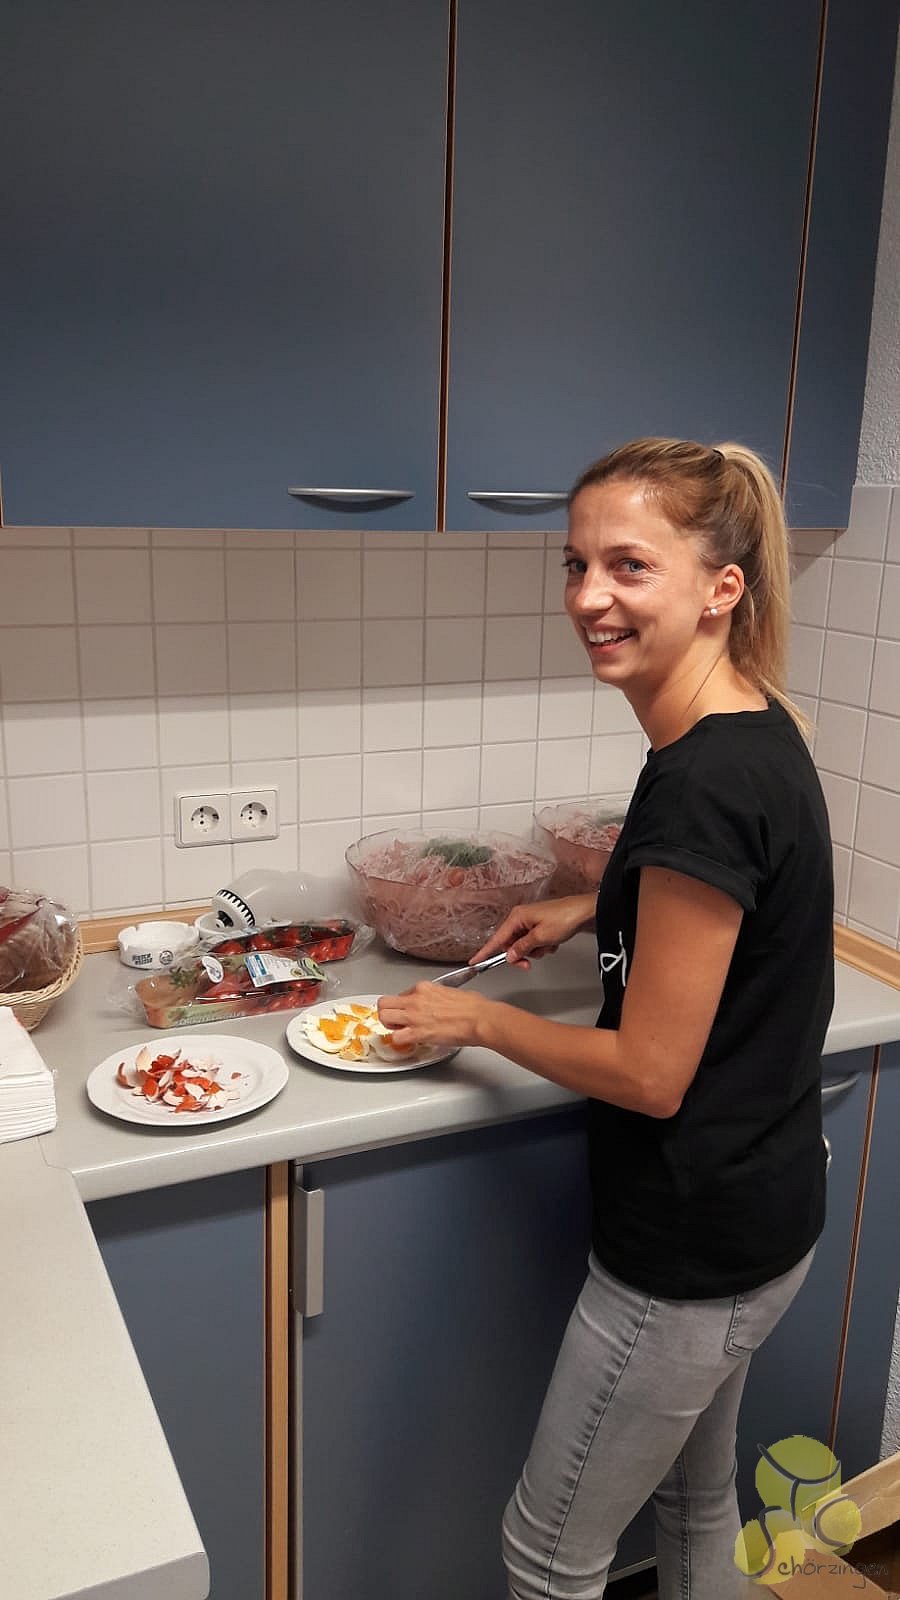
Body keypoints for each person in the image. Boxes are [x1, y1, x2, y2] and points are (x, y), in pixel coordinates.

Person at [378, 437, 834, 1599]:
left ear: (720, 587)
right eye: (576, 564)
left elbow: (649, 1070)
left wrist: (473, 1022)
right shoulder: (744, 727)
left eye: (629, 565)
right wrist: (598, 903)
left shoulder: (702, 783)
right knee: (695, 1499)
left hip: (688, 1245)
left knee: (549, 1556)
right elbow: (730, 898)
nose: (589, 596)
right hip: (764, 1207)